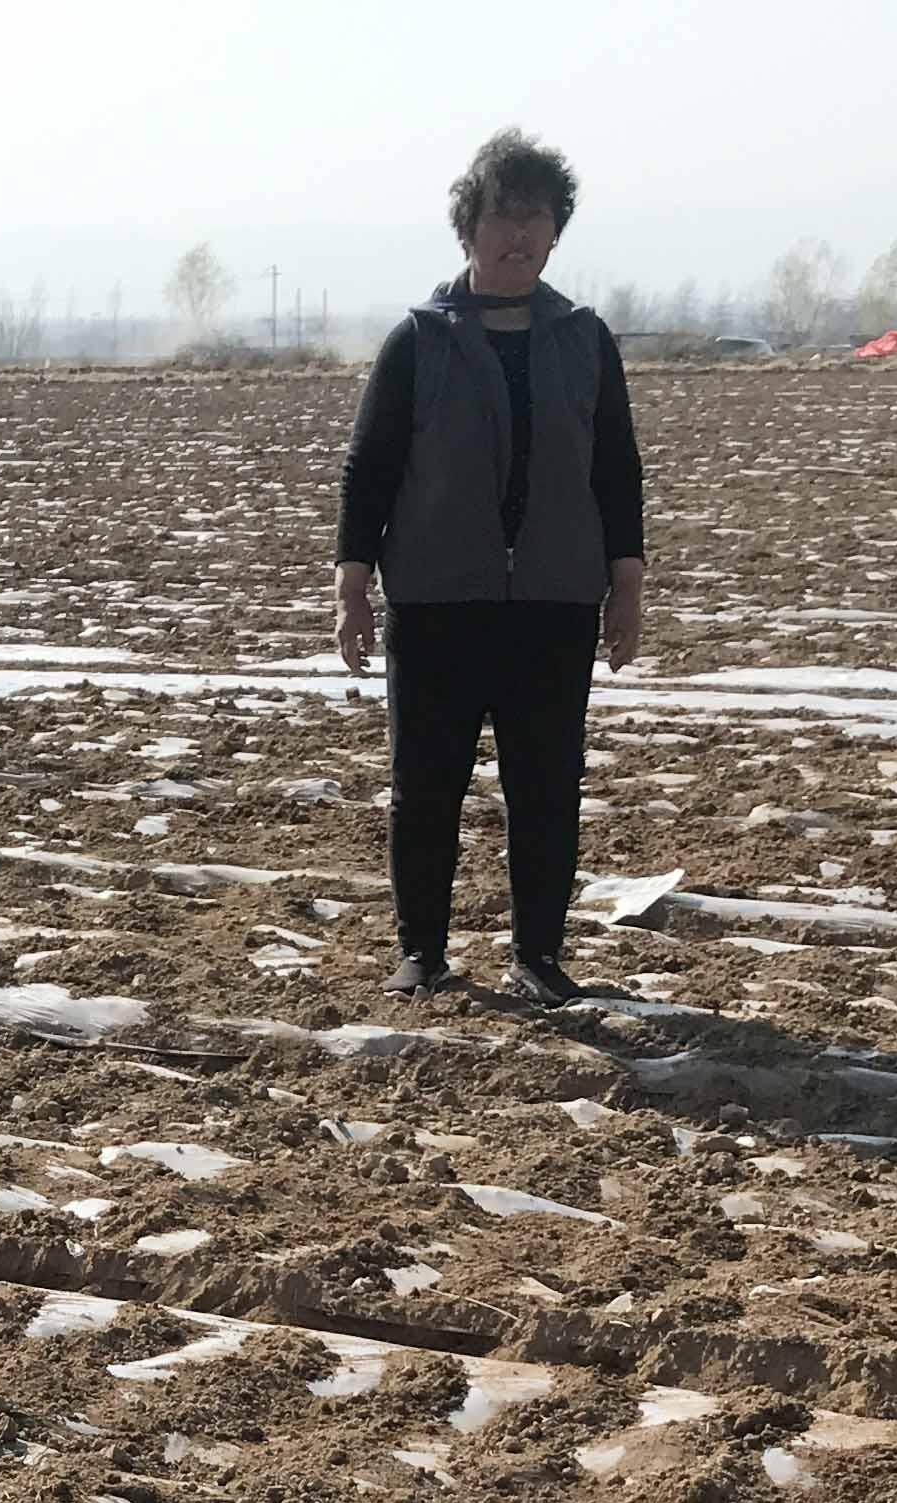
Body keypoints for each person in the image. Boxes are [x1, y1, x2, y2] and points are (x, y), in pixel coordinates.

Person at [333, 126, 648, 1006]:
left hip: (554, 603)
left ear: (556, 233)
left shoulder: (584, 340)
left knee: (545, 788)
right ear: (467, 229)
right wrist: (352, 583)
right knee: (424, 787)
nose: (518, 237)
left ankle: (539, 956)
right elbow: (371, 465)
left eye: (535, 220)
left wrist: (626, 585)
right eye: (501, 219)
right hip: (438, 603)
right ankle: (421, 954)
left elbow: (616, 467)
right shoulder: (420, 341)